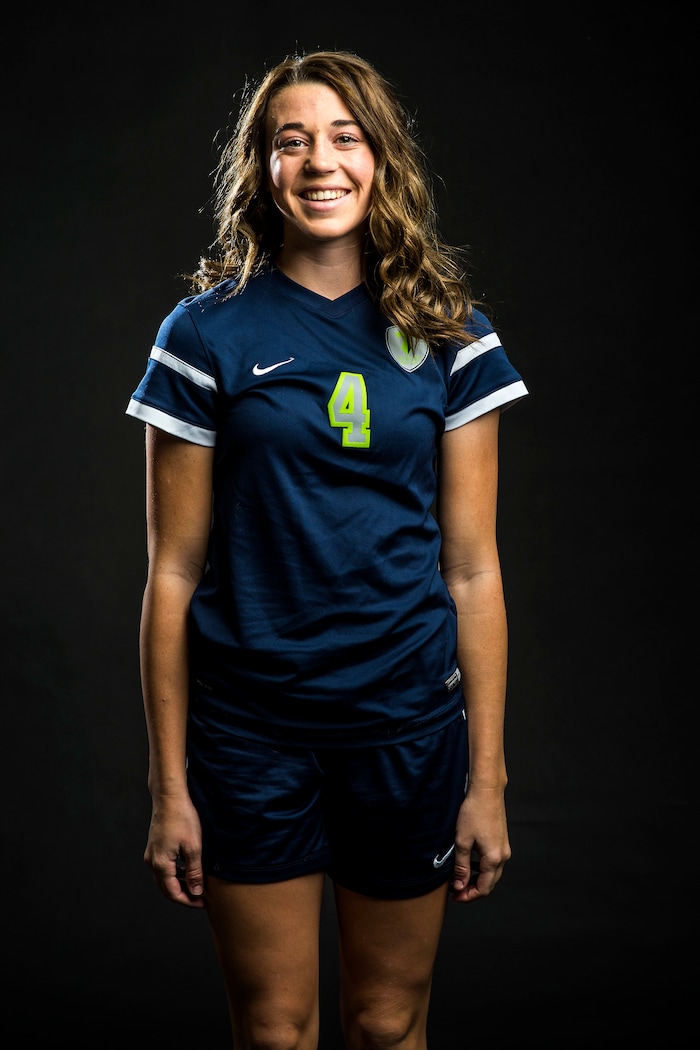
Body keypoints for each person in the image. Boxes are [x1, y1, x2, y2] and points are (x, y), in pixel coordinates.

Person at [126, 48, 528, 1050]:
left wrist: (486, 779)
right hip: (250, 733)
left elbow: (472, 568)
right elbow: (171, 572)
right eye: (290, 140)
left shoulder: (449, 336)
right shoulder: (203, 335)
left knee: (390, 1024)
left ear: (382, 160)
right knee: (273, 1029)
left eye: (345, 137)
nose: (320, 162)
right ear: (258, 168)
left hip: (404, 727)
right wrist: (169, 787)